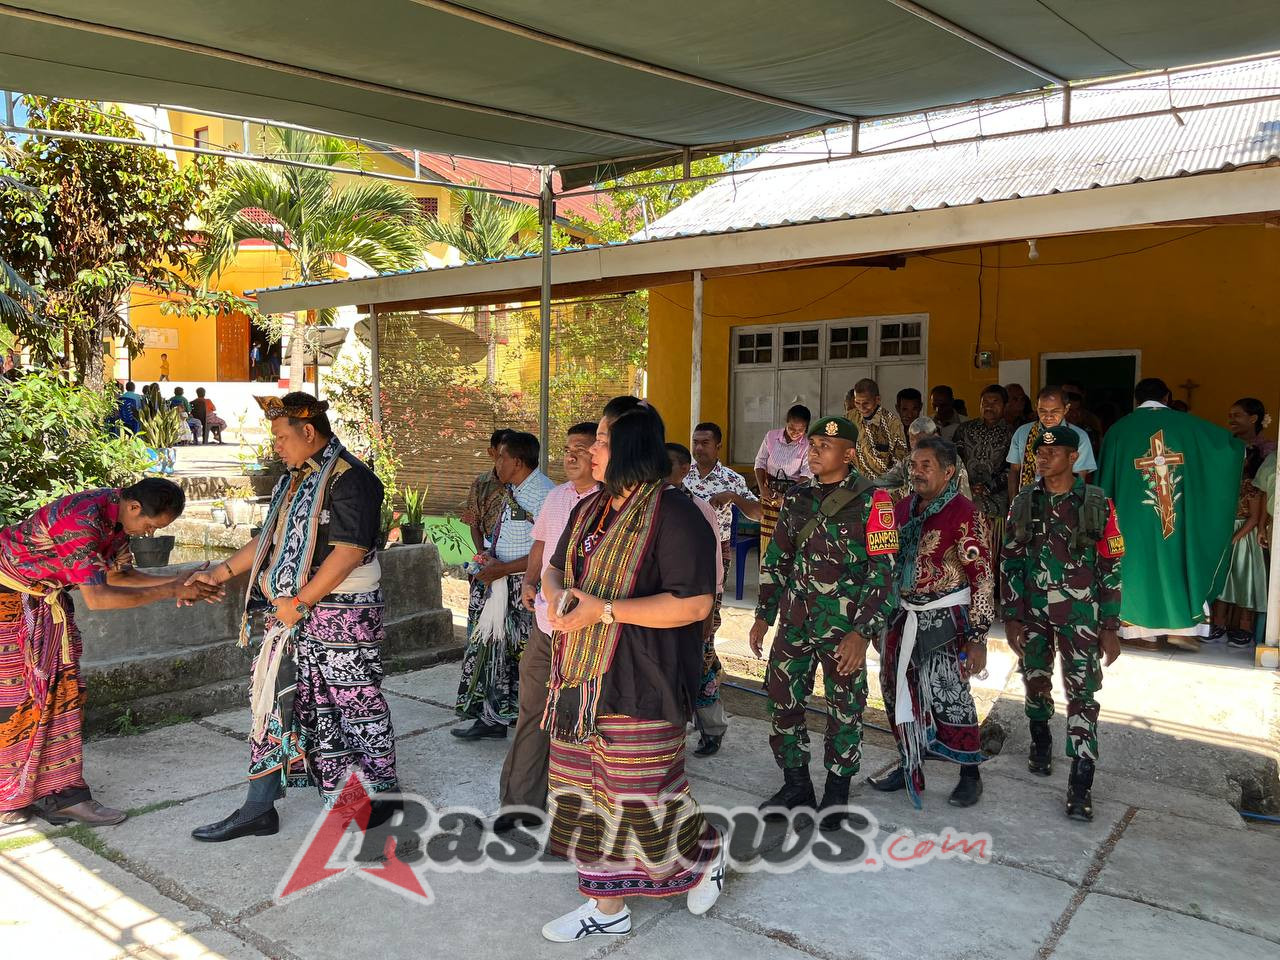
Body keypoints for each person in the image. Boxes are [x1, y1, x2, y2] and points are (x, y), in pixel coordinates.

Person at [540, 403, 724, 941]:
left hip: (643, 675)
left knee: (640, 794)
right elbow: (555, 568)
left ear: (631, 449)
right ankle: (607, 907)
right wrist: (557, 597)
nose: (591, 450)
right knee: (579, 790)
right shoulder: (590, 507)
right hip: (579, 679)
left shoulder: (675, 513)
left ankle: (705, 852)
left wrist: (604, 610)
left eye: (601, 440)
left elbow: (694, 604)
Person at [191, 393, 397, 842]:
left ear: (308, 432)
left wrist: (300, 602)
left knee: (352, 705)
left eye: (282, 437)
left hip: (341, 614)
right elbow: (269, 539)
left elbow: (349, 553)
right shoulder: (295, 479)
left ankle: (378, 796)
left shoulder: (353, 480)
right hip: (290, 614)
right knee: (276, 701)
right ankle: (259, 807)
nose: (277, 446)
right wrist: (219, 574)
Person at [1, 479, 221, 827]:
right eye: (150, 525)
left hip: (42, 601)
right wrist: (171, 590)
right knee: (15, 702)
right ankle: (12, 795)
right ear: (134, 507)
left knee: (62, 695)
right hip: (10, 605)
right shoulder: (80, 520)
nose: (149, 534)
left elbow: (120, 576)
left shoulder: (115, 520)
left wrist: (179, 579)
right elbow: (99, 598)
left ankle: (62, 795)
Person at [751, 416, 898, 830]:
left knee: (845, 709)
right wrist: (763, 615)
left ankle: (836, 793)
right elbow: (778, 557)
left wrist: (861, 633)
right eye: (813, 445)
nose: (814, 452)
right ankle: (796, 784)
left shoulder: (875, 501)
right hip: (795, 622)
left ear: (849, 454)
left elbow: (883, 574)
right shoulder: (797, 496)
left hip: (843, 629)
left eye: (825, 446)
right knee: (782, 699)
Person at [1002, 425, 1124, 822]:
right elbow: (1011, 560)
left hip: (1080, 615)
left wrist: (1110, 626)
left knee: (1083, 693)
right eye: (1039, 452)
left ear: (1074, 457)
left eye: (1052, 452)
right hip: (1035, 612)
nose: (1043, 457)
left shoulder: (1097, 503)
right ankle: (1040, 740)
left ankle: (1081, 782)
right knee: (1035, 679)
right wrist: (1012, 617)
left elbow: (1110, 565)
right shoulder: (1024, 501)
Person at [871, 436, 993, 809]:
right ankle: (910, 763)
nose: (917, 472)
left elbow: (982, 576)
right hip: (901, 615)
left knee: (950, 695)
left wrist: (978, 637)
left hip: (946, 620)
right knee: (897, 692)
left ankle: (970, 774)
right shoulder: (901, 508)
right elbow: (885, 562)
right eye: (913, 465)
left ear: (948, 471)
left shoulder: (964, 513)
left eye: (926, 465)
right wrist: (879, 618)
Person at [493, 421, 600, 833]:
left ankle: (586, 816)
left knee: (586, 722)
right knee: (533, 712)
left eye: (582, 448)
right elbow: (541, 542)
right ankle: (520, 804)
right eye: (568, 448)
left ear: (601, 454)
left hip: (589, 632)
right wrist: (529, 580)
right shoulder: (557, 497)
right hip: (545, 625)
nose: (571, 455)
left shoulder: (612, 502)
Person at [1098, 378, 1244, 650]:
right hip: (1176, 517)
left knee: (1135, 568)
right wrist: (1240, 448)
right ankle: (1180, 627)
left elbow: (1105, 481)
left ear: (1136, 399)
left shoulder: (1119, 430)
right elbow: (1225, 449)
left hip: (1131, 519)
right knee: (1176, 565)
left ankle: (1143, 634)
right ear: (1167, 397)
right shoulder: (1189, 426)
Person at [454, 431, 554, 740]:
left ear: (518, 462)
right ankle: (493, 718)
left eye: (501, 457)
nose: (496, 462)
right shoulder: (513, 489)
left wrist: (504, 569)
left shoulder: (545, 495)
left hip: (524, 588)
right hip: (499, 582)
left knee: (523, 658)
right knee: (493, 652)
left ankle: (532, 726)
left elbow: (548, 551)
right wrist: (489, 557)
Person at [683, 421, 759, 749]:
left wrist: (734, 498)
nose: (698, 448)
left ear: (718, 446)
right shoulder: (681, 474)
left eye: (705, 443)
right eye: (695, 442)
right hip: (679, 559)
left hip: (715, 560)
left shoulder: (731, 479)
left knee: (705, 635)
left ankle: (710, 725)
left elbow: (758, 512)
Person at [668, 442, 729, 756]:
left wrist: (710, 609)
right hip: (663, 603)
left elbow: (714, 562)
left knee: (702, 663)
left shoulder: (699, 508)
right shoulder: (649, 503)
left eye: (668, 465)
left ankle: (712, 729)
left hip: (698, 601)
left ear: (683, 470)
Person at [1211, 398, 1273, 648]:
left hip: (1248, 530)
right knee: (1223, 578)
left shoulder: (1267, 451)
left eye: (1237, 415)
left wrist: (1257, 527)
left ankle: (1244, 627)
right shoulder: (1226, 445)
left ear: (1253, 418)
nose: (1231, 420)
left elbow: (1262, 499)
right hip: (1226, 525)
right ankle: (1218, 623)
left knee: (1245, 578)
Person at [954, 384, 1014, 561]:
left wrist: (988, 487)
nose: (989, 406)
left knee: (991, 555)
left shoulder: (1012, 432)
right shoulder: (964, 429)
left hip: (996, 506)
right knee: (966, 555)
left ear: (1005, 405)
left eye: (995, 402)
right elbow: (954, 460)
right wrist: (967, 485)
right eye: (985, 402)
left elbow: (1012, 468)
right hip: (966, 500)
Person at [1007, 386, 1097, 501]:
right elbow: (1014, 471)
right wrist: (1014, 504)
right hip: (1027, 504)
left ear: (1066, 409)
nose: (1048, 417)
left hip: (1063, 503)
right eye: (1043, 411)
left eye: (1055, 411)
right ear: (1036, 407)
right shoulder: (1022, 433)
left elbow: (1079, 477)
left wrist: (1072, 507)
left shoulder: (1079, 437)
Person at [753, 404, 813, 563]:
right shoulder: (771, 436)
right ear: (786, 422)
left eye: (800, 430)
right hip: (769, 494)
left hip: (794, 495)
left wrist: (787, 497)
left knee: (787, 538)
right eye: (791, 428)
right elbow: (760, 463)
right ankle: (765, 569)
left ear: (806, 428)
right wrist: (762, 488)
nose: (795, 433)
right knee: (767, 538)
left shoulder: (807, 444)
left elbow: (806, 475)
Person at [873, 416, 972, 501]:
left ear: (935, 437)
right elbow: (886, 481)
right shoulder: (908, 461)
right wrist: (868, 488)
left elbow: (964, 497)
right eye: (912, 439)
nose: (915, 445)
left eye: (921, 440)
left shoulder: (951, 460)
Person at [461, 428, 514, 554]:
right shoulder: (481, 484)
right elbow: (473, 522)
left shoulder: (524, 484)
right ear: (491, 452)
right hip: (489, 551)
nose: (506, 459)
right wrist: (481, 553)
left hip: (521, 552)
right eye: (502, 454)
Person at [847, 378, 910, 483]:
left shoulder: (892, 423)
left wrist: (885, 483)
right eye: (857, 403)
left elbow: (901, 460)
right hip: (856, 484)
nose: (861, 408)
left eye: (866, 403)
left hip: (884, 486)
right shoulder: (850, 418)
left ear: (877, 399)